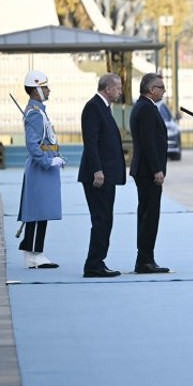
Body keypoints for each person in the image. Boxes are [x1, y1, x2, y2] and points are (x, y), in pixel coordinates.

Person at [78, 73, 126, 278]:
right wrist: (97, 170)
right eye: (118, 88)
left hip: (106, 175)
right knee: (101, 219)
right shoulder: (93, 107)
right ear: (108, 88)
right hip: (98, 176)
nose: (120, 91)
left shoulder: (103, 107)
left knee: (105, 219)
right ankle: (93, 264)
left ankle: (98, 261)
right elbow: (91, 142)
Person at [17, 70, 63, 269]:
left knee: (39, 210)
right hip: (41, 168)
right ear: (36, 90)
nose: (48, 90)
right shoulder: (35, 113)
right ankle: (36, 253)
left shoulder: (37, 111)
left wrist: (55, 156)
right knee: (38, 212)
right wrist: (48, 161)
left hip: (44, 165)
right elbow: (33, 144)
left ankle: (31, 251)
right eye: (45, 87)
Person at [129, 73, 170, 273]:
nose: (164, 90)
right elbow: (148, 142)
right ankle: (145, 260)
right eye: (161, 87)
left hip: (145, 170)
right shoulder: (145, 108)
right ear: (151, 89)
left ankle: (145, 258)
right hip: (148, 171)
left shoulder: (145, 106)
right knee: (149, 216)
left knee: (147, 215)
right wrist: (157, 169)